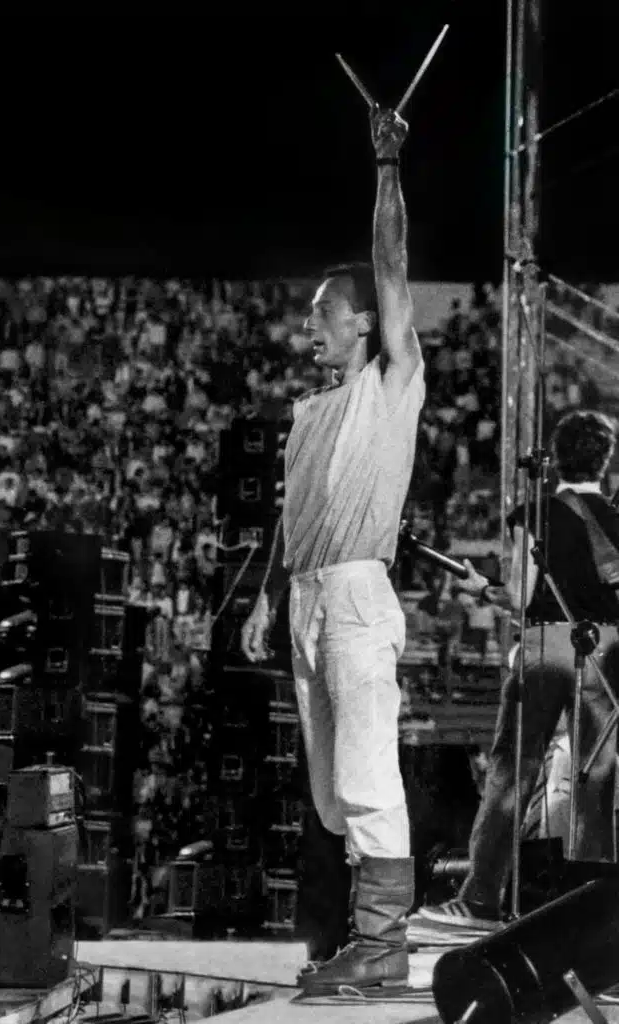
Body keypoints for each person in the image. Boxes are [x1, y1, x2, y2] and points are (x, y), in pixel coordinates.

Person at [241, 106, 425, 993]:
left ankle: (383, 945)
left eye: (323, 315)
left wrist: (387, 167)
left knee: (364, 773)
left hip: (354, 594)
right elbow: (293, 513)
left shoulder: (393, 381)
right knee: (327, 794)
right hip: (309, 596)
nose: (307, 328)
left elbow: (391, 265)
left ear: (364, 326)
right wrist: (268, 594)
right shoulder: (309, 412)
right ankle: (364, 938)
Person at [418, 409, 619, 930]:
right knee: (596, 780)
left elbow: (521, 595)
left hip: (546, 645)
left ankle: (481, 899)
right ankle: (591, 914)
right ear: (606, 461)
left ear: (555, 458)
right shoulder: (615, 520)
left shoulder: (537, 513)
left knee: (514, 771)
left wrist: (481, 589)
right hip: (606, 651)